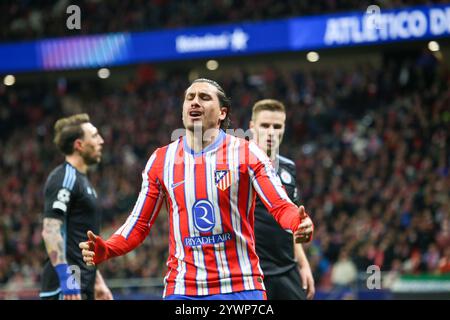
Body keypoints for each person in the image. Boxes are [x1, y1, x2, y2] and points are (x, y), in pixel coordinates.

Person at [79, 78, 314, 300]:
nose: (194, 101)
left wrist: (298, 222)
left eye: (204, 97)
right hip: (183, 288)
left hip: (240, 285)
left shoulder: (247, 153)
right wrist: (107, 248)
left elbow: (281, 206)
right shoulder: (161, 160)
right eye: (189, 97)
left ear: (222, 112)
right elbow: (139, 224)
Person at [40, 113, 113, 300]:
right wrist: (68, 281)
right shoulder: (65, 178)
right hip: (65, 289)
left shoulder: (84, 182)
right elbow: (51, 231)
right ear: (79, 145)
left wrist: (97, 282)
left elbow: (80, 239)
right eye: (95, 136)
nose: (101, 141)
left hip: (82, 286)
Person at [250, 99, 315, 300]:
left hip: (287, 270)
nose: (271, 132)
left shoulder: (288, 168)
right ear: (252, 127)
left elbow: (291, 221)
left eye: (277, 126)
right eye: (265, 125)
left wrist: (302, 264)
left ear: (284, 128)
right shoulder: (238, 167)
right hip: (252, 274)